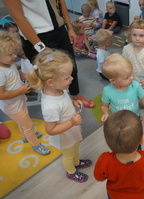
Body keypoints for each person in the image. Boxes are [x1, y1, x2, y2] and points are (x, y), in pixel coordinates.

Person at [3, 0, 96, 108]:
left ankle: (75, 96)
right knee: (51, 75)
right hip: (37, 37)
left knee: (71, 66)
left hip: (60, 30)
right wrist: (40, 47)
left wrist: (69, 27)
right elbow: (18, 17)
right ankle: (58, 107)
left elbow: (60, 2)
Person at [27, 49, 92, 183]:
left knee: (75, 148)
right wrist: (71, 123)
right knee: (68, 155)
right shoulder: (49, 105)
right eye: (67, 77)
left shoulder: (59, 89)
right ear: (51, 82)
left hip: (71, 132)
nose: (72, 79)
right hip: (64, 137)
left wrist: (73, 102)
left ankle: (77, 161)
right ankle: (71, 172)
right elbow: (50, 130)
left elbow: (64, 103)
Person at [94, 110, 144, 199]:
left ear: (108, 144)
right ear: (141, 140)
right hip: (141, 195)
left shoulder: (104, 160)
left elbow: (99, 178)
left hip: (115, 196)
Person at [0, 31, 50, 155]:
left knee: (23, 121)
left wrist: (24, 76)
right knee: (27, 124)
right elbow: (1, 95)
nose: (14, 56)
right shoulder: (0, 73)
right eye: (10, 54)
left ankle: (25, 136)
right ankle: (36, 145)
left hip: (18, 101)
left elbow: (16, 72)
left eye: (14, 52)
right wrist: (20, 91)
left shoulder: (9, 63)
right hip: (11, 106)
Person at [100, 53, 144, 122]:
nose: (132, 77)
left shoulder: (135, 85)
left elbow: (143, 98)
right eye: (127, 77)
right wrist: (105, 113)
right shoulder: (107, 91)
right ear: (113, 80)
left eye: (131, 73)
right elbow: (104, 105)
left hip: (135, 116)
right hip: (118, 120)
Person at [122, 20, 144, 96]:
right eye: (134, 35)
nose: (137, 38)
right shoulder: (126, 49)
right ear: (130, 35)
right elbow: (123, 64)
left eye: (141, 36)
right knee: (132, 92)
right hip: (132, 76)